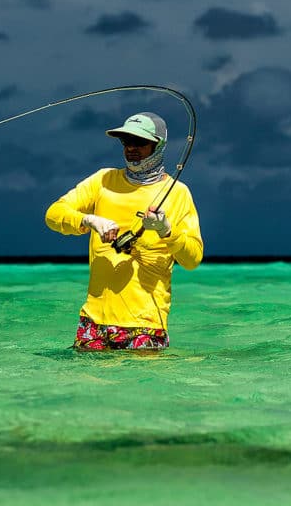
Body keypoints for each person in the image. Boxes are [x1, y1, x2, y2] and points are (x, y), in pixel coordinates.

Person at [45, 112, 203, 351]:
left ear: (158, 145)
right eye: (126, 142)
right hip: (93, 322)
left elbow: (192, 259)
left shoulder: (178, 193)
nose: (131, 148)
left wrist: (166, 230)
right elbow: (53, 215)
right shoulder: (103, 180)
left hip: (145, 324)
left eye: (140, 142)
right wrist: (89, 220)